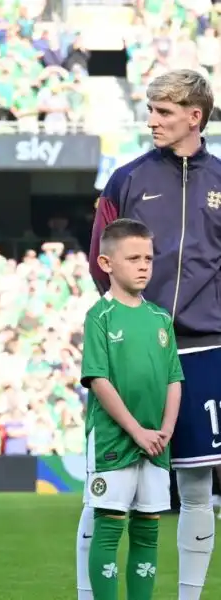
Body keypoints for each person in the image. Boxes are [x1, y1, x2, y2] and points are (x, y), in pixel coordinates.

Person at [77, 68, 221, 600]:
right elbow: (100, 257)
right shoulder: (127, 178)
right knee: (106, 493)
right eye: (151, 109)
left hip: (206, 348)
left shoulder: (220, 181)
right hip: (133, 349)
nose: (152, 119)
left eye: (163, 111)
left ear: (194, 116)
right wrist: (130, 318)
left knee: (198, 485)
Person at [81, 218, 183, 600]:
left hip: (157, 443)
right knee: (109, 528)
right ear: (106, 264)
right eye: (134, 258)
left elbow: (175, 378)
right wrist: (136, 431)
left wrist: (166, 429)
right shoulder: (100, 317)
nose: (144, 266)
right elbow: (98, 380)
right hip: (113, 441)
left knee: (148, 529)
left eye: (149, 258)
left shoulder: (160, 318)